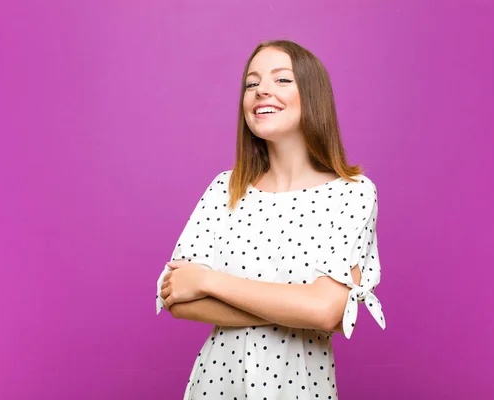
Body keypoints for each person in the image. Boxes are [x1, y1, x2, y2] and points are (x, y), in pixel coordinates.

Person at [156, 39, 386, 400]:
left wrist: (208, 280)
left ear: (312, 95)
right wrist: (300, 306)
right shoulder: (224, 188)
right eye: (252, 83)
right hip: (215, 386)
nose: (262, 90)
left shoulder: (352, 193)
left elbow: (325, 312)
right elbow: (177, 298)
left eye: (281, 80)